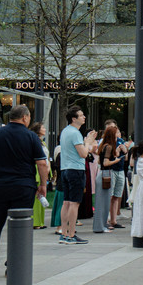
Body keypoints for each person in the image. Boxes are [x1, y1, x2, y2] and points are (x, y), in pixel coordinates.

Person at [0, 105, 49, 276]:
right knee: (19, 226)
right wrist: (43, 185)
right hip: (23, 186)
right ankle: (13, 264)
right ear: (25, 118)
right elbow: (42, 163)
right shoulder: (31, 136)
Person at [58, 105, 97, 245]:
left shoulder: (65, 131)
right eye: (81, 115)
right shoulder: (75, 133)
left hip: (65, 169)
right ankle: (71, 234)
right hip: (75, 169)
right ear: (74, 119)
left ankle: (64, 233)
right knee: (74, 203)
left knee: (67, 202)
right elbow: (84, 154)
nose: (84, 117)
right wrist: (88, 142)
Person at [94, 125, 121, 233]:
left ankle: (101, 225)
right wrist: (116, 161)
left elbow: (100, 162)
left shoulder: (103, 146)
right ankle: (101, 226)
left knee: (102, 202)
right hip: (106, 173)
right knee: (103, 202)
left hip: (102, 174)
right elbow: (105, 162)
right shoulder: (109, 147)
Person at [29, 122, 49, 229]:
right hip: (38, 170)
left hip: (44, 169)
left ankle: (40, 221)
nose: (45, 129)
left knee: (42, 197)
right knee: (37, 197)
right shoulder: (34, 141)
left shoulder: (43, 143)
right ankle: (35, 222)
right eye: (43, 127)